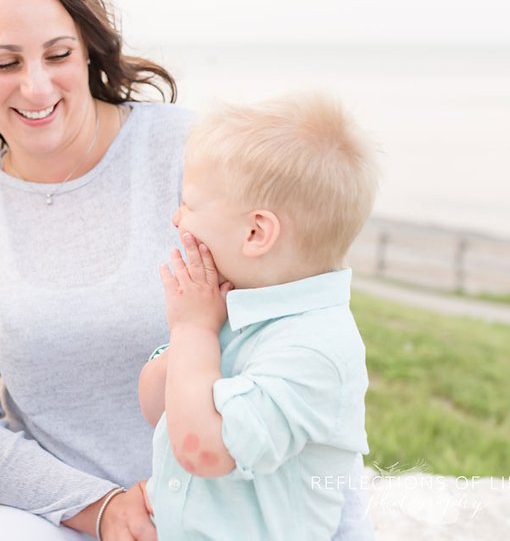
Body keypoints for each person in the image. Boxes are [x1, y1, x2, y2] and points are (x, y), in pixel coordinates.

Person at [0, 0, 373, 540]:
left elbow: (307, 341)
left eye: (58, 53)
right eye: (5, 63)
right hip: (67, 518)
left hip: (235, 519)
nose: (38, 87)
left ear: (87, 48)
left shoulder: (193, 156)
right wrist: (99, 508)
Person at [138, 94, 378, 539]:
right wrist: (192, 332)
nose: (176, 218)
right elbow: (157, 408)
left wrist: (192, 330)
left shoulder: (314, 348)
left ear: (255, 232)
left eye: (189, 204)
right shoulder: (234, 304)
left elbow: (202, 450)